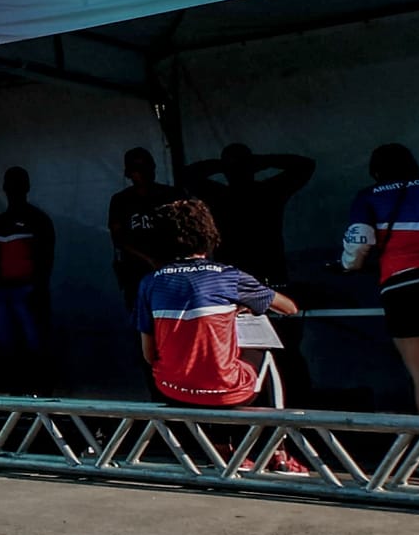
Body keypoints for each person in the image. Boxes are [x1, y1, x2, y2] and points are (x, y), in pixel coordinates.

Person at [137, 198, 300, 403]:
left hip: (171, 389)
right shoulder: (228, 276)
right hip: (227, 392)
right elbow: (289, 308)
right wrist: (244, 306)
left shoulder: (150, 283)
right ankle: (276, 420)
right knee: (262, 351)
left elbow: (149, 355)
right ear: (208, 233)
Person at [339, 143, 419, 413]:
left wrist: (349, 265)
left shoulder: (369, 196)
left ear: (376, 172)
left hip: (402, 286)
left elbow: (359, 242)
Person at [180, 144, 315, 287]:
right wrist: (263, 161)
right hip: (264, 263)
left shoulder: (219, 195)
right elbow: (305, 165)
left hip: (239, 267)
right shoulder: (269, 192)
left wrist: (222, 165)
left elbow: (187, 175)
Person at [0, 167, 55, 395]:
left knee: (34, 343)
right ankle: (16, 395)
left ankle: (40, 394)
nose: (13, 189)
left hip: (27, 290)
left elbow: (46, 259)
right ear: (4, 188)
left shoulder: (38, 220)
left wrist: (38, 290)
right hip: (3, 291)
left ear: (26, 187)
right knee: (5, 344)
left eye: (18, 184)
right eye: (10, 184)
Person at [108, 147, 179, 316]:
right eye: (137, 169)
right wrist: (149, 260)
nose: (143, 173)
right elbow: (118, 238)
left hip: (172, 269)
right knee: (143, 319)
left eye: (147, 167)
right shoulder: (121, 200)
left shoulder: (171, 195)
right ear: (128, 173)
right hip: (136, 272)